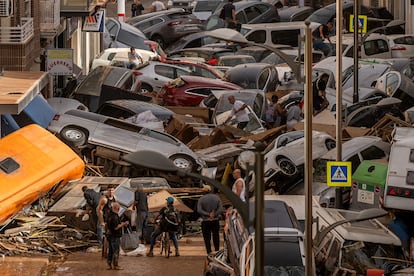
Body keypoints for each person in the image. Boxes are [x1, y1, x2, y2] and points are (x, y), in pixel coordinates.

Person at [106, 202, 129, 270]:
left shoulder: (109, 215)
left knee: (110, 251)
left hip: (109, 235)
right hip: (115, 236)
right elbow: (116, 227)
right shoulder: (115, 216)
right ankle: (115, 265)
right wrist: (124, 224)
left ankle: (109, 264)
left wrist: (121, 224)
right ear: (117, 208)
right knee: (116, 251)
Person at [97, 185, 117, 256]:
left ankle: (112, 251)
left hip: (112, 220)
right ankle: (105, 252)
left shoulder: (115, 198)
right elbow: (99, 210)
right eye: (109, 190)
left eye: (112, 190)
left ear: (114, 190)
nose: (111, 192)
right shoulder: (104, 199)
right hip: (106, 220)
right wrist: (102, 221)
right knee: (106, 236)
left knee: (113, 236)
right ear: (107, 191)